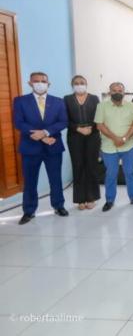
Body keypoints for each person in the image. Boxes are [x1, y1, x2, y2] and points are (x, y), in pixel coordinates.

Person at [13, 72, 69, 225]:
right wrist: (41, 136)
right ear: (30, 83)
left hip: (53, 146)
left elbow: (63, 122)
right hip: (30, 148)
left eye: (43, 81)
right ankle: (29, 211)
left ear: (48, 83)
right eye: (36, 81)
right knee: (30, 181)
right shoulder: (20, 101)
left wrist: (45, 133)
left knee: (55, 179)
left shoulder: (58, 102)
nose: (40, 83)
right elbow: (19, 123)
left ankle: (59, 206)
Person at [95, 82, 133, 211]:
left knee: (130, 172)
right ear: (110, 92)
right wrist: (115, 138)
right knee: (111, 173)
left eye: (120, 90)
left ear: (124, 92)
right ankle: (109, 200)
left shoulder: (132, 106)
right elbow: (100, 125)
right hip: (109, 147)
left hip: (129, 146)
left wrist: (124, 138)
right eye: (114, 90)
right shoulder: (101, 106)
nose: (117, 92)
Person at [64, 75, 101, 210]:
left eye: (82, 83)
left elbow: (99, 116)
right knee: (78, 165)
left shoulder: (94, 98)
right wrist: (78, 128)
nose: (79, 85)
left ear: (86, 84)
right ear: (72, 85)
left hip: (93, 134)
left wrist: (90, 128)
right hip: (75, 136)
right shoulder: (67, 99)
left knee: (91, 165)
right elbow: (64, 119)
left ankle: (91, 197)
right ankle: (80, 199)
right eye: (76, 83)